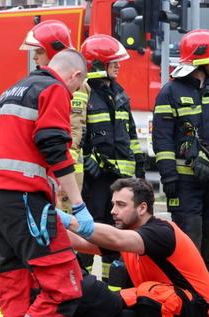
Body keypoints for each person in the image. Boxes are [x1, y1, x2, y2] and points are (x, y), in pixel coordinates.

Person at [0, 48, 93, 317]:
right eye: (79, 87)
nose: (75, 94)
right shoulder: (55, 89)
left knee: (15, 289)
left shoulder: (10, 91)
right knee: (65, 288)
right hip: (25, 201)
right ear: (75, 76)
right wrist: (77, 204)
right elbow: (53, 146)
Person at [61, 178, 209, 317]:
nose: (114, 211)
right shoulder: (128, 233)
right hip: (167, 303)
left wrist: (68, 220)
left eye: (121, 205)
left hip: (199, 312)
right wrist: (52, 227)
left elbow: (116, 239)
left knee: (150, 294)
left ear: (142, 208)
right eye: (114, 204)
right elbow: (82, 243)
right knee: (112, 303)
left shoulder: (160, 232)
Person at [152, 29, 209, 272]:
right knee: (189, 239)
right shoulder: (171, 92)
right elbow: (161, 139)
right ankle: (185, 295)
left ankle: (202, 294)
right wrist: (169, 177)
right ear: (202, 57)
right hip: (185, 183)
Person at [79, 34, 143, 281]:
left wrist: (139, 171)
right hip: (95, 181)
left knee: (115, 238)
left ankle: (111, 287)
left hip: (121, 181)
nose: (118, 65)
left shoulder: (119, 94)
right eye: (112, 61)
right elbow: (75, 131)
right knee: (90, 232)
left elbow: (131, 135)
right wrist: (87, 159)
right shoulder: (83, 93)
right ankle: (83, 285)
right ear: (97, 64)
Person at [19, 20, 86, 214]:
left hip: (56, 174)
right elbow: (53, 142)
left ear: (54, 52)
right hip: (50, 176)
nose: (34, 59)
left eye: (38, 52)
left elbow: (74, 129)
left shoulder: (52, 87)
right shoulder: (50, 88)